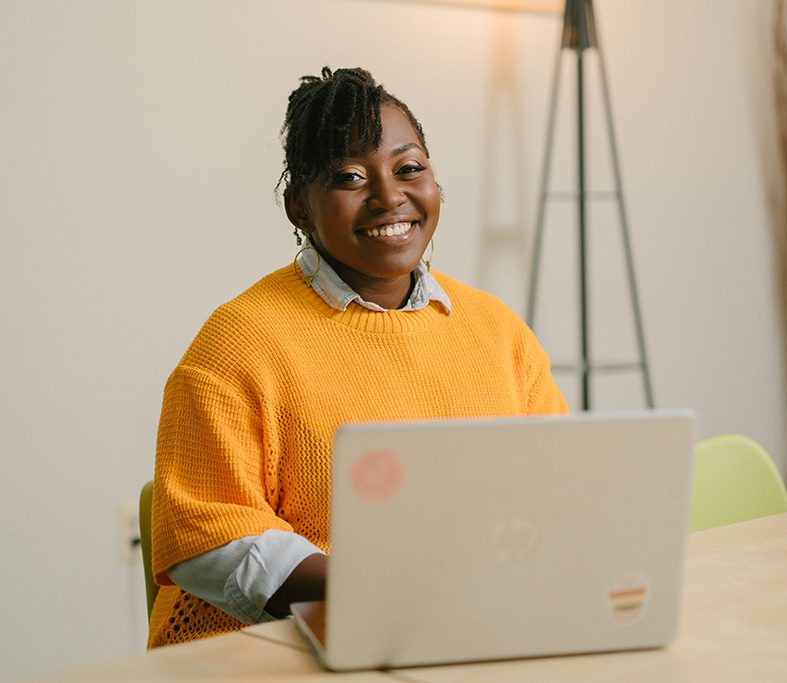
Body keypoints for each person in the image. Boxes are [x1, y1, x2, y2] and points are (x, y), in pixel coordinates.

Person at [148, 67, 568, 648]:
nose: (389, 195)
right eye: (350, 176)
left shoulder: (496, 330)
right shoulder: (238, 341)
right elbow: (208, 538)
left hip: (460, 634)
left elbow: (557, 485)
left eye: (410, 167)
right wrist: (377, 592)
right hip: (270, 655)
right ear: (299, 207)